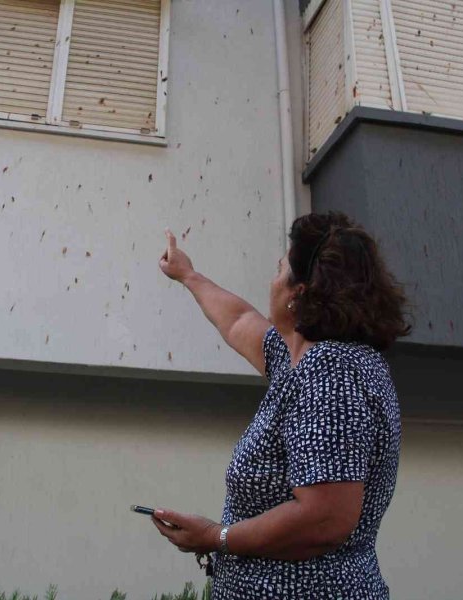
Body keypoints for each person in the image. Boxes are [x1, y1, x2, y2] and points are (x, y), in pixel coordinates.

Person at [152, 211, 410, 599]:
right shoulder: (301, 361)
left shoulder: (331, 372)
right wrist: (188, 275)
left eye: (279, 270)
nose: (271, 280)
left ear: (298, 294)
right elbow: (239, 321)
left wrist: (216, 537)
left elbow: (325, 518)